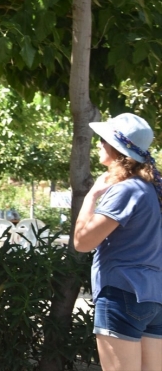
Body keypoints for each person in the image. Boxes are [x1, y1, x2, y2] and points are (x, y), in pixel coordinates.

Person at [74, 113, 162, 371]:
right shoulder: (151, 190)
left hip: (122, 294)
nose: (99, 144)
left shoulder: (126, 190)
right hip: (154, 297)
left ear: (116, 148)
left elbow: (82, 242)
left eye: (103, 140)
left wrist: (91, 195)